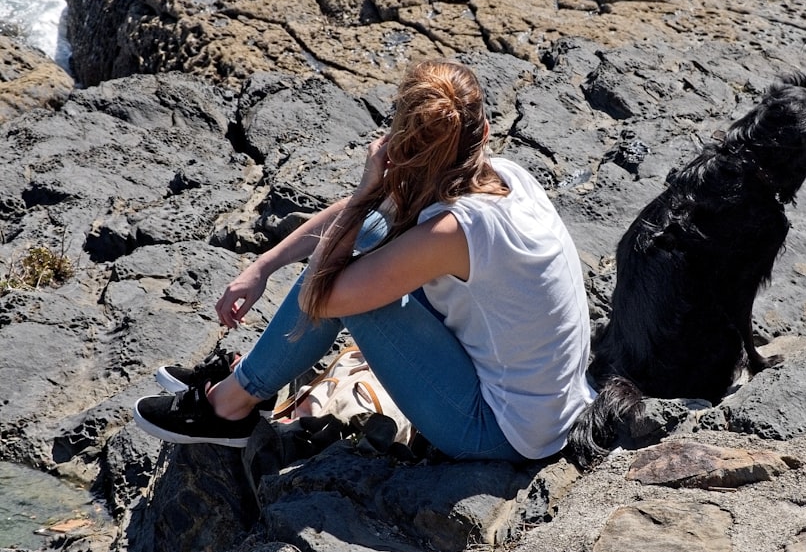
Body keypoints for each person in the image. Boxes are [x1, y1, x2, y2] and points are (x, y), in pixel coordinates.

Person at [133, 59, 595, 462]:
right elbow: (367, 223)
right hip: (554, 406)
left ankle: (229, 406)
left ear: (397, 143)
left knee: (346, 290)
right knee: (370, 234)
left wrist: (367, 188)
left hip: (501, 434)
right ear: (484, 134)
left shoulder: (454, 231)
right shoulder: (507, 176)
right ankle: (249, 378)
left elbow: (323, 292)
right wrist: (263, 265)